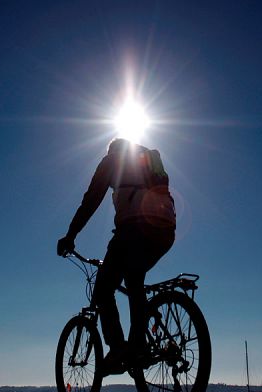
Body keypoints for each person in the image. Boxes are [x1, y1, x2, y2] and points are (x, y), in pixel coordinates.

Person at [57, 138, 176, 375]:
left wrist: (70, 235)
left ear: (112, 150)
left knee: (102, 289)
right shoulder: (148, 162)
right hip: (165, 230)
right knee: (134, 278)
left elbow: (90, 200)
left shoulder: (111, 160)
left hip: (133, 228)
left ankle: (120, 349)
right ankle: (138, 346)